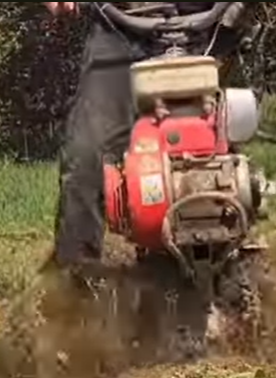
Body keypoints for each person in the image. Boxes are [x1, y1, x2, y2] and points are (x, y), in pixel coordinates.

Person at [41, 2, 258, 284]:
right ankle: (74, 288)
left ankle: (226, 253)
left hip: (210, 23)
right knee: (86, 154)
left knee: (211, 136)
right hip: (120, 25)